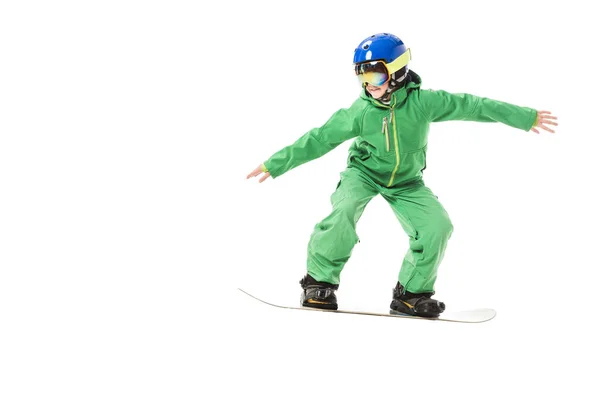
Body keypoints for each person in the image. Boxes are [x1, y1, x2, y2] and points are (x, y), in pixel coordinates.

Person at [246, 33, 557, 318]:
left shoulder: (424, 103)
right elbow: (320, 138)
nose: (368, 84)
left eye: (374, 73)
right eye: (362, 75)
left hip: (407, 181)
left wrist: (525, 118)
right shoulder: (361, 111)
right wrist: (277, 163)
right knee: (344, 211)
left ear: (397, 72)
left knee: (437, 226)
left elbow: (472, 106)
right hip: (363, 173)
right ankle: (319, 282)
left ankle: (410, 294)